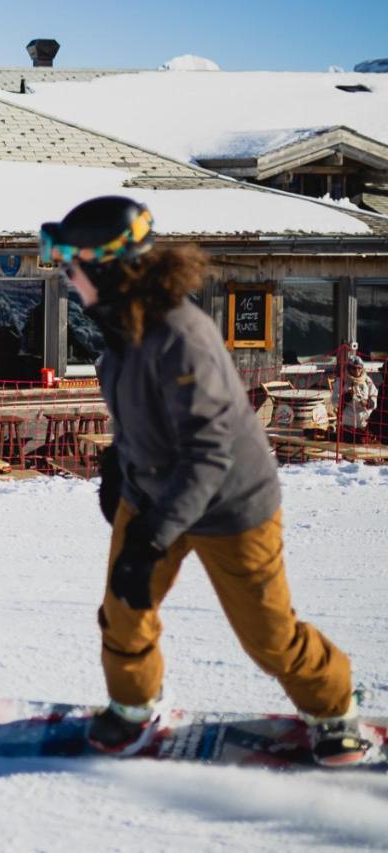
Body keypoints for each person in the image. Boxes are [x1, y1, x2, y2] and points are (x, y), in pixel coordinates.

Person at [42, 195, 368, 767]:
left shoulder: (180, 336)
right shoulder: (120, 332)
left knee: (268, 634)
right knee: (124, 606)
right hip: (154, 495)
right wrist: (119, 467)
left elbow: (208, 452)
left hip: (229, 505)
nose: (67, 276)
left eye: (72, 262)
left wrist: (151, 536)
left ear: (107, 266)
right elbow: (143, 417)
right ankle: (135, 707)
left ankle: (334, 708)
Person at [330, 355, 378, 444]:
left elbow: (375, 398)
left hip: (364, 425)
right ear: (348, 368)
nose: (357, 371)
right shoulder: (341, 381)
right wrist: (346, 397)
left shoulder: (367, 381)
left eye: (359, 368)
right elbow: (334, 402)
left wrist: (368, 403)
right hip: (347, 425)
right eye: (354, 368)